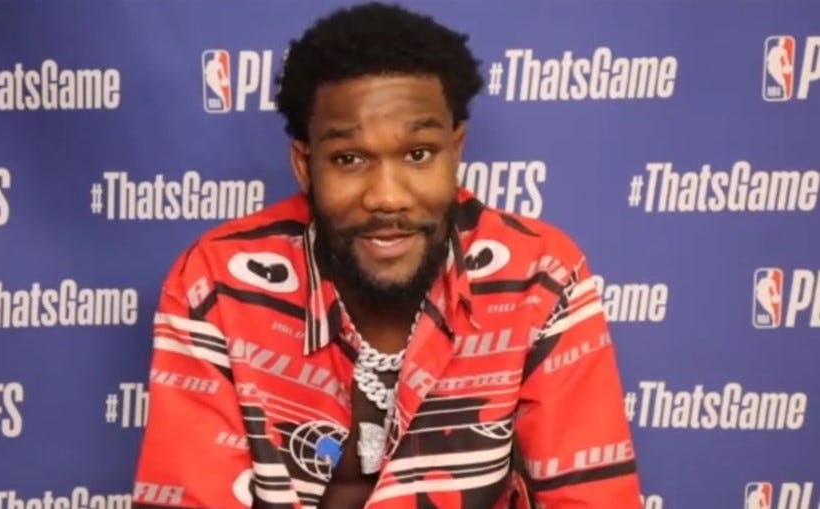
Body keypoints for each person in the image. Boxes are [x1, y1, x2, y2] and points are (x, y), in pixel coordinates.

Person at [132, 2, 643, 508]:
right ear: (306, 166)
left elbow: (594, 500)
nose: (387, 197)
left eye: (418, 154)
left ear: (456, 150)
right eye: (349, 159)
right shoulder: (218, 286)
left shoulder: (539, 276)